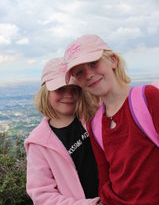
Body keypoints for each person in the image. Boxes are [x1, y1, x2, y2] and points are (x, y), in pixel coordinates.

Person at [64, 34, 159, 205]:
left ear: (113, 60)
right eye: (79, 72)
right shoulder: (95, 124)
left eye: (93, 63)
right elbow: (105, 177)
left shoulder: (148, 98)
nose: (89, 75)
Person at [24, 57, 101, 205]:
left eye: (74, 89)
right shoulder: (39, 143)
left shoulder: (93, 116)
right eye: (60, 89)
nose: (69, 95)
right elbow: (42, 194)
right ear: (46, 92)